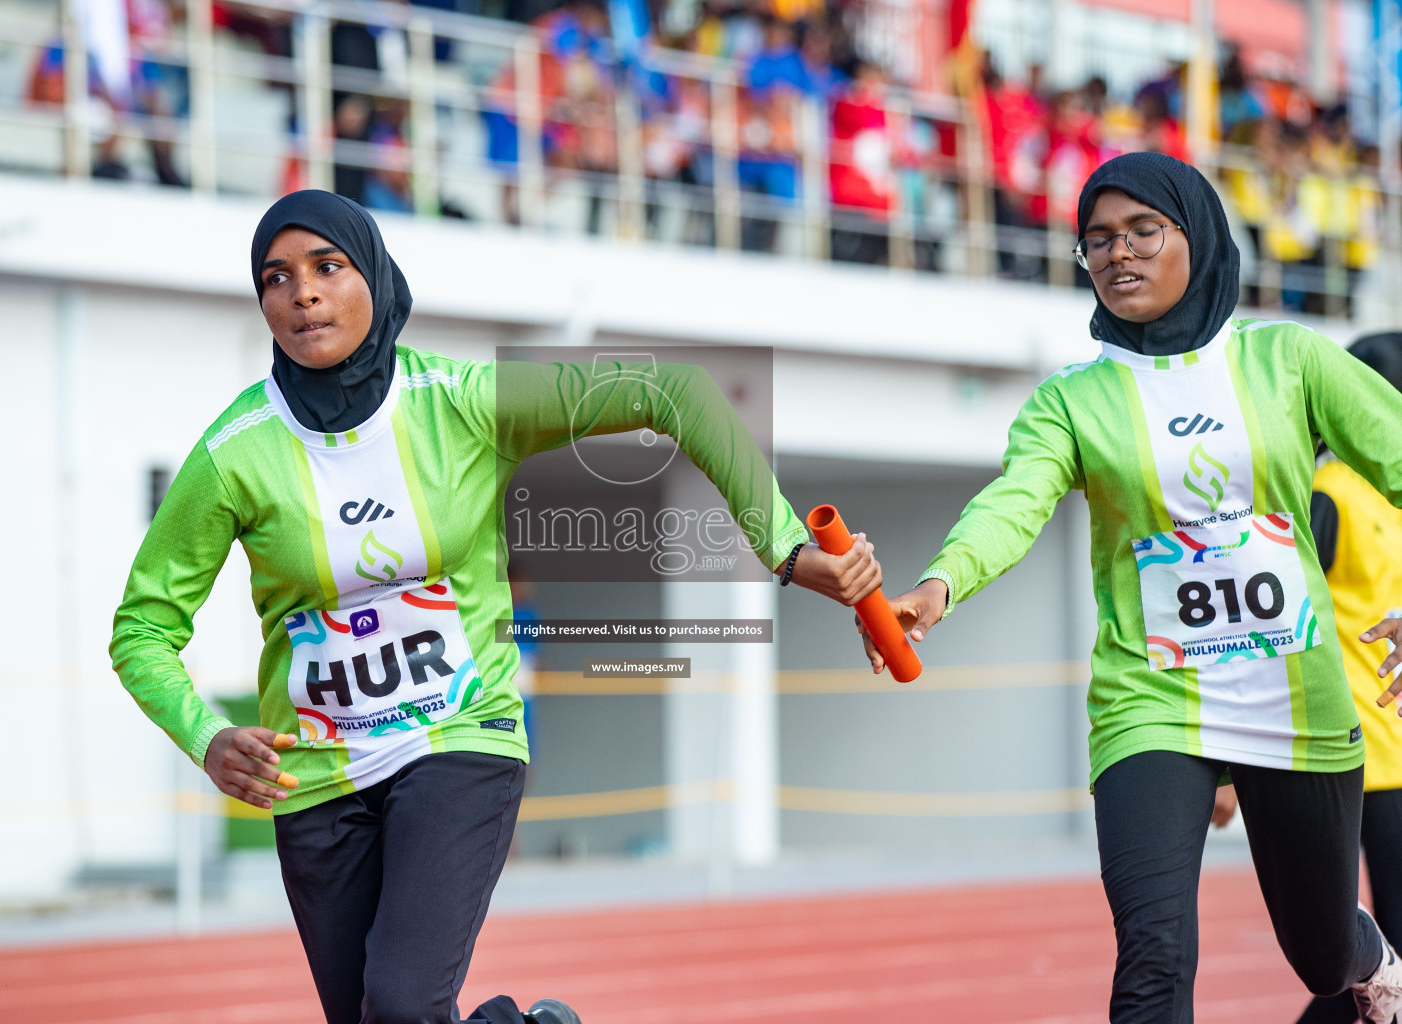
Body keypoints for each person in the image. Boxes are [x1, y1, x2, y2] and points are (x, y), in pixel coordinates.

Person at [111, 189, 882, 1024]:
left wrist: (783, 548)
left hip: (458, 736)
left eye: (328, 267)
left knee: (402, 1008)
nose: (302, 293)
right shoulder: (235, 456)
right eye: (276, 277)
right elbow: (142, 630)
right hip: (315, 779)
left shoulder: (463, 401)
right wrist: (205, 734)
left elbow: (678, 393)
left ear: (372, 274)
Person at [859, 152, 1402, 1024]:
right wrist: (940, 584)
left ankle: (1365, 950)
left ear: (1197, 232)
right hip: (1150, 700)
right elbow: (1014, 502)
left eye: (1144, 230)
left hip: (1293, 697)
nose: (1120, 254)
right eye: (1098, 241)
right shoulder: (1071, 402)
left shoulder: (1288, 359)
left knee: (1322, 954)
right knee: (1152, 955)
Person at [1213, 333, 1402, 1024]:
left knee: (1366, 954)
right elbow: (1268, 619)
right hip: (1345, 746)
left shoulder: (1390, 497)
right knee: (1361, 951)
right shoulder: (1324, 496)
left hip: (1395, 750)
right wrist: (1233, 766)